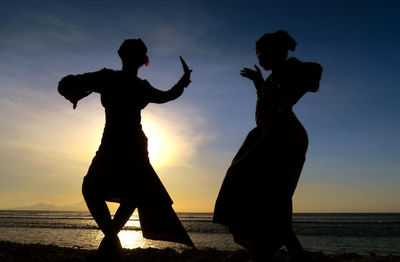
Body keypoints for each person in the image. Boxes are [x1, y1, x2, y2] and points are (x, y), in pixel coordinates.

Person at [58, 39, 194, 258]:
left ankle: (111, 240)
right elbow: (168, 95)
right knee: (110, 190)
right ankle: (112, 239)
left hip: (125, 142)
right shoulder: (116, 80)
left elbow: (65, 83)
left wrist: (75, 92)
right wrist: (77, 92)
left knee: (114, 191)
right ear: (141, 60)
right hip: (123, 142)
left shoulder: (112, 79)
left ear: (123, 56)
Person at [213, 30, 322, 261]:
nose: (260, 57)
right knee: (264, 196)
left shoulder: (291, 66)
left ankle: (274, 252)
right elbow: (266, 105)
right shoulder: (272, 77)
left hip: (284, 137)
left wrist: (287, 93)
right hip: (268, 135)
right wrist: (259, 83)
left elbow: (315, 73)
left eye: (262, 52)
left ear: (278, 51)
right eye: (257, 53)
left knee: (268, 193)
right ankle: (280, 252)